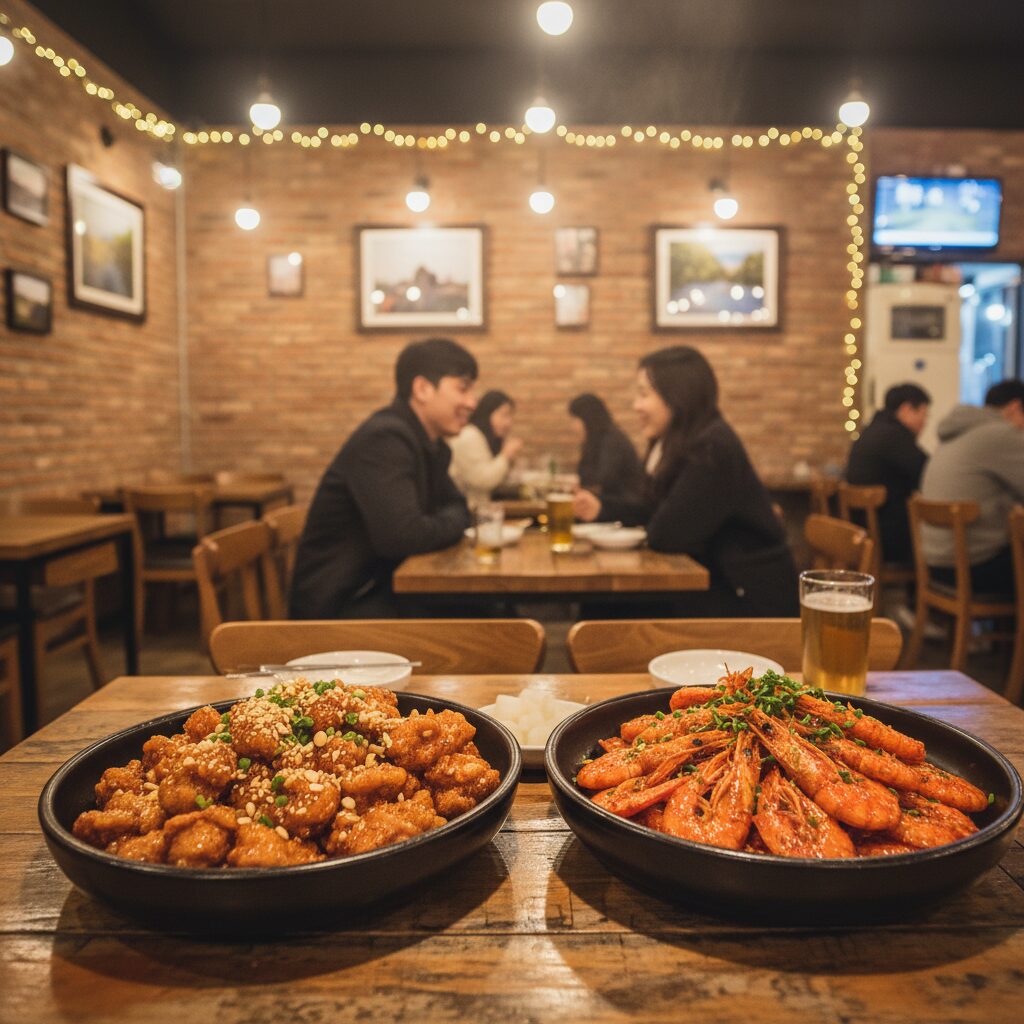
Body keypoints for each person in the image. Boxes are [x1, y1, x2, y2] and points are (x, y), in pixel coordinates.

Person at [573, 345, 798, 616]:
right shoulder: (682, 443)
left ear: (677, 395)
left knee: (605, 609)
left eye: (644, 394)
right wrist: (601, 508)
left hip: (751, 601)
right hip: (719, 583)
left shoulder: (712, 447)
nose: (636, 405)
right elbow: (655, 511)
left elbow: (665, 535)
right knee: (601, 605)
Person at [289, 337, 477, 619]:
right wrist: (453, 520)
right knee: (487, 622)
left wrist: (448, 519)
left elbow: (458, 508)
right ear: (423, 389)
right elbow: (404, 536)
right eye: (463, 388)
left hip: (379, 591)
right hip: (340, 607)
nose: (472, 402)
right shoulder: (385, 439)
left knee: (489, 612)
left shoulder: (430, 445)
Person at [920, 379, 1024, 594]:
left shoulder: (956, 434)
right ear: (1015, 407)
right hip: (973, 567)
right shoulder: (1001, 433)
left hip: (935, 563)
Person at [845, 382, 931, 565]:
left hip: (860, 532)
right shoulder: (895, 436)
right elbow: (929, 474)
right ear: (906, 409)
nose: (925, 422)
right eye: (923, 414)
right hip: (885, 540)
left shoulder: (871, 430)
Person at [447, 389, 523, 505]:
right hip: (465, 509)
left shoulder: (483, 437)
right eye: (504, 415)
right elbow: (483, 481)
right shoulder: (469, 436)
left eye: (510, 416)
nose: (508, 422)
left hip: (477, 508)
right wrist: (505, 455)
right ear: (487, 413)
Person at [568, 393, 646, 503]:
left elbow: (603, 483)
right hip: (606, 504)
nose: (573, 427)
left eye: (575, 420)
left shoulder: (612, 440)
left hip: (622, 507)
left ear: (587, 419)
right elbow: (585, 477)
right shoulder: (595, 441)